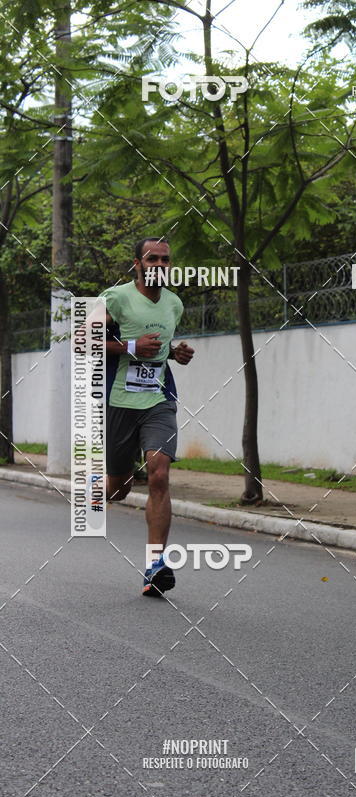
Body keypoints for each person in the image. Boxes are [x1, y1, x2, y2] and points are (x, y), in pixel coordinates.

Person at [100, 237, 194, 596]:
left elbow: (161, 346)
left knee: (158, 473)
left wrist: (175, 352)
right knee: (120, 487)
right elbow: (81, 339)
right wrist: (130, 346)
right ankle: (99, 490)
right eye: (151, 258)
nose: (158, 265)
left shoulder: (174, 304)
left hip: (158, 400)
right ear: (137, 264)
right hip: (118, 402)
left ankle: (155, 566)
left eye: (165, 260)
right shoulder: (117, 298)